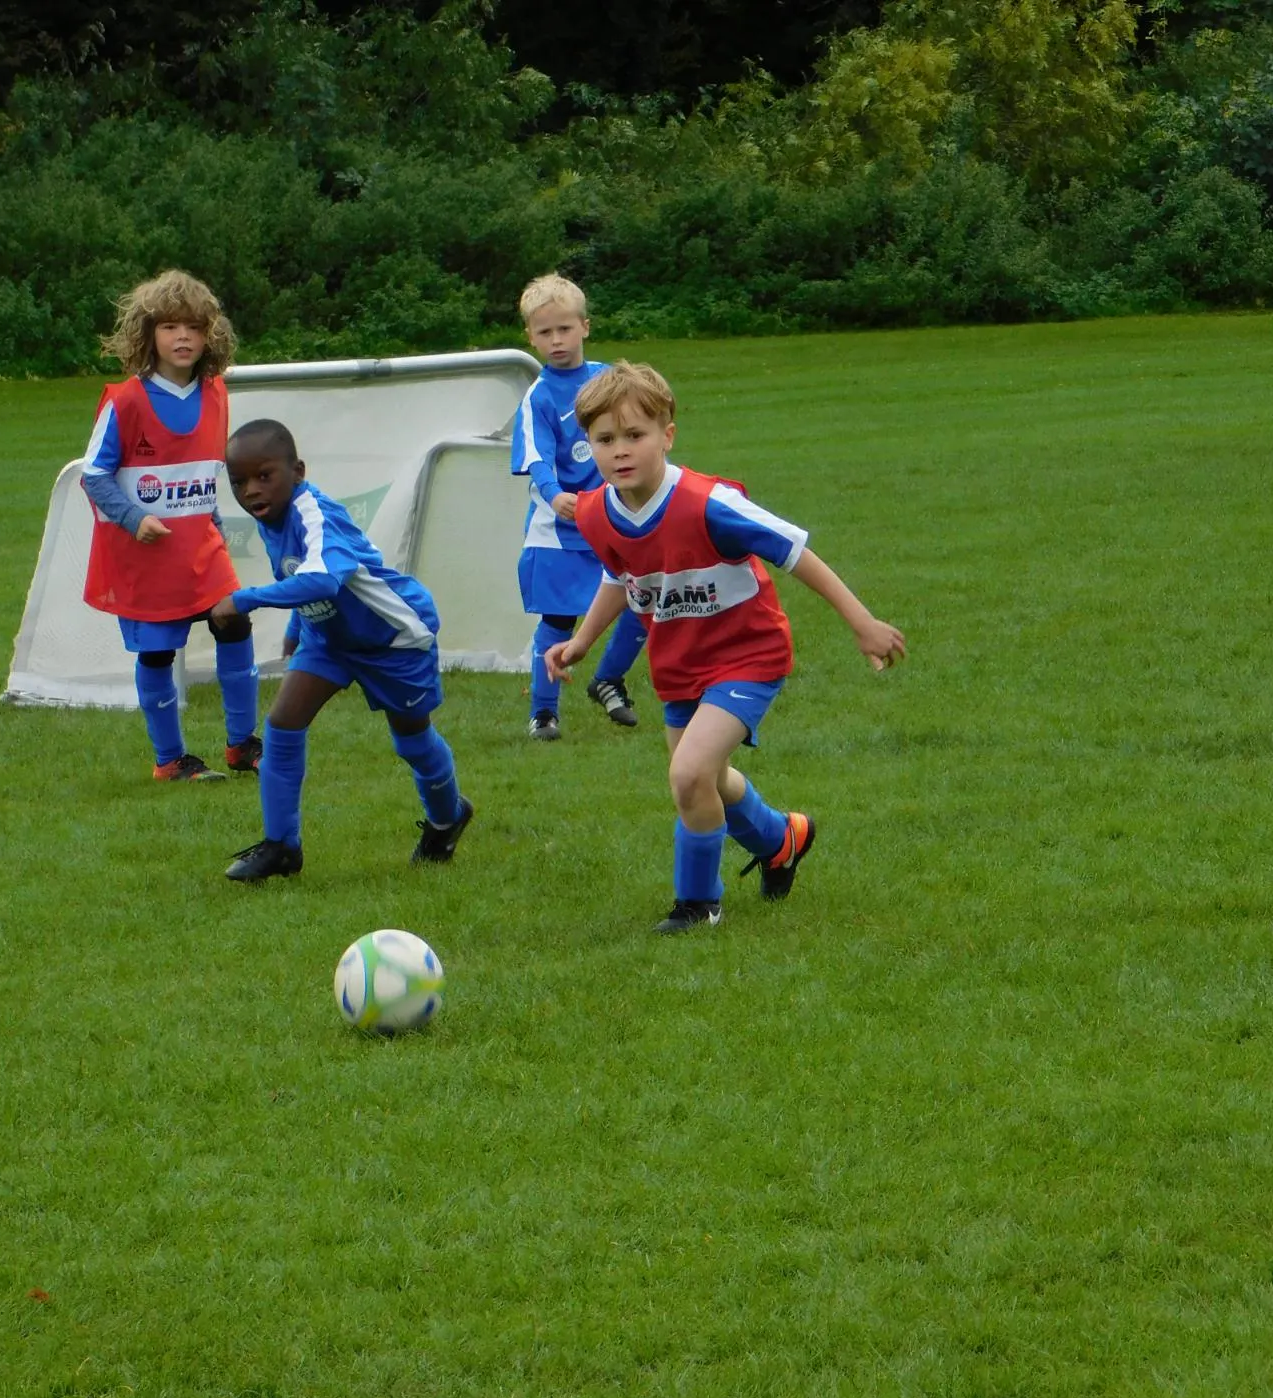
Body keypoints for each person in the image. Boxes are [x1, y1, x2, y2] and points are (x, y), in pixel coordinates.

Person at [546, 362, 906, 933]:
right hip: (678, 663)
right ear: (588, 446)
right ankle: (782, 839)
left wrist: (862, 622)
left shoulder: (708, 502)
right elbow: (621, 575)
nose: (621, 450)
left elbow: (795, 551)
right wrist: (582, 640)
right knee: (708, 780)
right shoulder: (595, 513)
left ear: (667, 435)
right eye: (606, 439)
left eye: (635, 434)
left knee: (689, 775)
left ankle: (698, 905)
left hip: (748, 656)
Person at [212, 420, 472, 882]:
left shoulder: (315, 513)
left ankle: (447, 818)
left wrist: (244, 599)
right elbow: (302, 572)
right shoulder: (272, 516)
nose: (251, 490)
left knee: (412, 742)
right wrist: (298, 624)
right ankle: (281, 847)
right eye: (239, 481)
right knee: (282, 724)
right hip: (329, 639)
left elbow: (322, 579)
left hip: (394, 639)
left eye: (264, 476)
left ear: (297, 471)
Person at [81, 270, 261, 782]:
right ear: (148, 334)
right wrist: (134, 518)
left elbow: (204, 474)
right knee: (159, 651)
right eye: (169, 327)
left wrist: (214, 525)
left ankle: (242, 745)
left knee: (234, 621)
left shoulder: (216, 392)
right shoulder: (126, 400)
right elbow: (94, 475)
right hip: (146, 557)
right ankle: (170, 760)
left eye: (194, 327)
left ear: (211, 335)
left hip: (202, 548)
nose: (183, 337)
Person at [509, 273, 650, 741]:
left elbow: (643, 428)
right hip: (560, 527)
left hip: (614, 518)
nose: (556, 340)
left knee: (644, 598)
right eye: (545, 332)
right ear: (530, 337)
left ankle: (608, 679)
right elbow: (536, 455)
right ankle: (543, 712)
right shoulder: (538, 397)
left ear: (585, 327)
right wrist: (554, 494)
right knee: (558, 618)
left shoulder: (610, 381)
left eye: (565, 329)